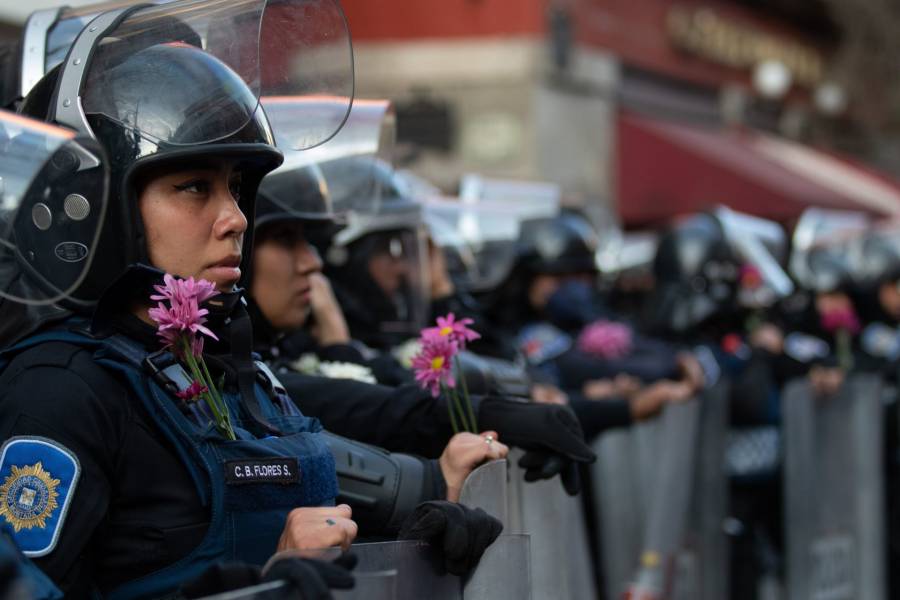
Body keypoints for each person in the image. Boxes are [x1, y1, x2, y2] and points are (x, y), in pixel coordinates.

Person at [0, 5, 500, 597]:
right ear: (94, 202)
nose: (236, 219)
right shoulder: (60, 391)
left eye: (236, 188)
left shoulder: (218, 365)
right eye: (193, 187)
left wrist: (398, 534)